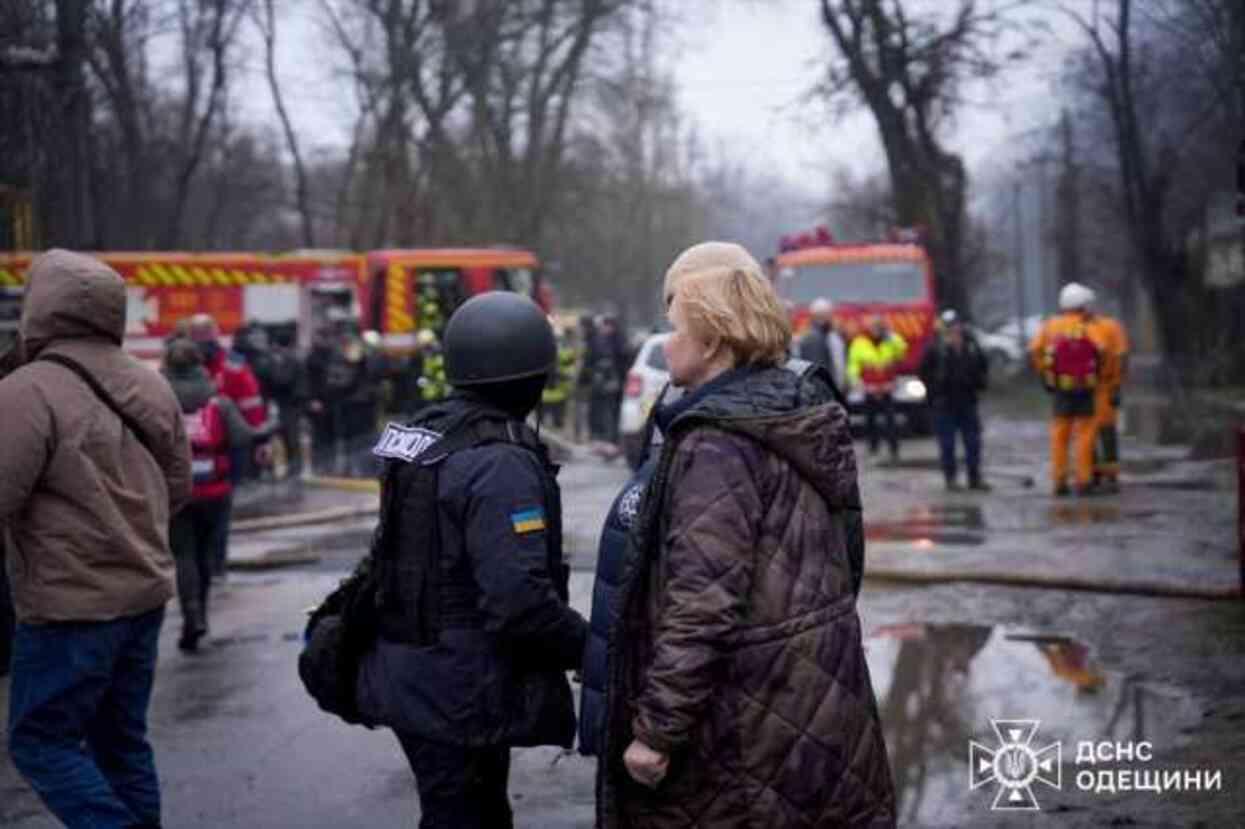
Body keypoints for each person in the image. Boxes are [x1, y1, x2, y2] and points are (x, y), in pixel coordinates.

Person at [594, 242, 896, 828]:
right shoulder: (794, 409)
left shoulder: (717, 444)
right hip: (810, 702)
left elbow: (701, 605)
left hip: (744, 725)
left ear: (712, 336)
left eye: (673, 324)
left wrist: (656, 730)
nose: (666, 340)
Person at [354, 291, 588, 829]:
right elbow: (518, 600)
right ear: (532, 378)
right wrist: (594, 648)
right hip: (458, 687)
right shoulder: (499, 461)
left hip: (419, 674)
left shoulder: (429, 432)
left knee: (466, 809)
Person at [0, 249, 192, 828]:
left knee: (40, 743)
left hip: (69, 602)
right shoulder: (149, 383)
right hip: (144, 596)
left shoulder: (27, 391)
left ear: (40, 308)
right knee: (122, 744)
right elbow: (177, 487)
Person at [162, 337, 272, 651]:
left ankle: (191, 616)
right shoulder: (218, 401)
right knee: (204, 555)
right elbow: (243, 437)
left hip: (176, 492)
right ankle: (202, 618)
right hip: (215, 491)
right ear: (200, 364)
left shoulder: (157, 400)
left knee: (183, 555)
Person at [1030, 282, 1103, 496]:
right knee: (1085, 434)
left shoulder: (1051, 326)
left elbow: (1035, 350)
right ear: (1083, 305)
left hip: (1061, 390)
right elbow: (1104, 352)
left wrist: (1046, 375)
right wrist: (1101, 378)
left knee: (1060, 435)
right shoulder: (1091, 327)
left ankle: (1059, 481)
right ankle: (1084, 480)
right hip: (1086, 389)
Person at [920, 309, 990, 491]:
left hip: (967, 401)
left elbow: (983, 367)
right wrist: (934, 393)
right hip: (944, 404)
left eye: (956, 326)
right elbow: (924, 373)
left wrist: (978, 383)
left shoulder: (971, 346)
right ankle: (950, 479)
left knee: (973, 442)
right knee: (947, 444)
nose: (954, 331)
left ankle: (974, 477)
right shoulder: (935, 348)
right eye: (950, 327)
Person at [848, 315, 908, 460]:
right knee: (870, 421)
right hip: (870, 388)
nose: (876, 329)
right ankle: (873, 448)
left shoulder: (891, 340)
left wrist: (891, 336)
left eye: (879, 326)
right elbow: (853, 364)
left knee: (890, 420)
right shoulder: (859, 342)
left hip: (887, 387)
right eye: (873, 326)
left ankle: (893, 450)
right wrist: (856, 381)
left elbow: (902, 351)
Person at [1086, 301, 1130, 494]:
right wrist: (1118, 385)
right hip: (1106, 386)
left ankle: (1093, 473)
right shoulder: (1112, 326)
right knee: (1107, 431)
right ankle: (1111, 474)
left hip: (1081, 388)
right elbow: (1122, 355)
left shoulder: (1070, 327)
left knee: (1088, 432)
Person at [264, 326, 308, 480]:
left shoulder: (288, 359)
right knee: (288, 437)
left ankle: (295, 469)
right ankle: (294, 468)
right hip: (290, 404)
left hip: (289, 404)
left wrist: (272, 370)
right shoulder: (294, 356)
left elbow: (283, 379)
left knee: (290, 437)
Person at [796, 296, 847, 392]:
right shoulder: (813, 338)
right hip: (823, 391)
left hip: (829, 390)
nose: (830, 317)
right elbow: (817, 370)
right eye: (827, 314)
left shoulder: (830, 336)